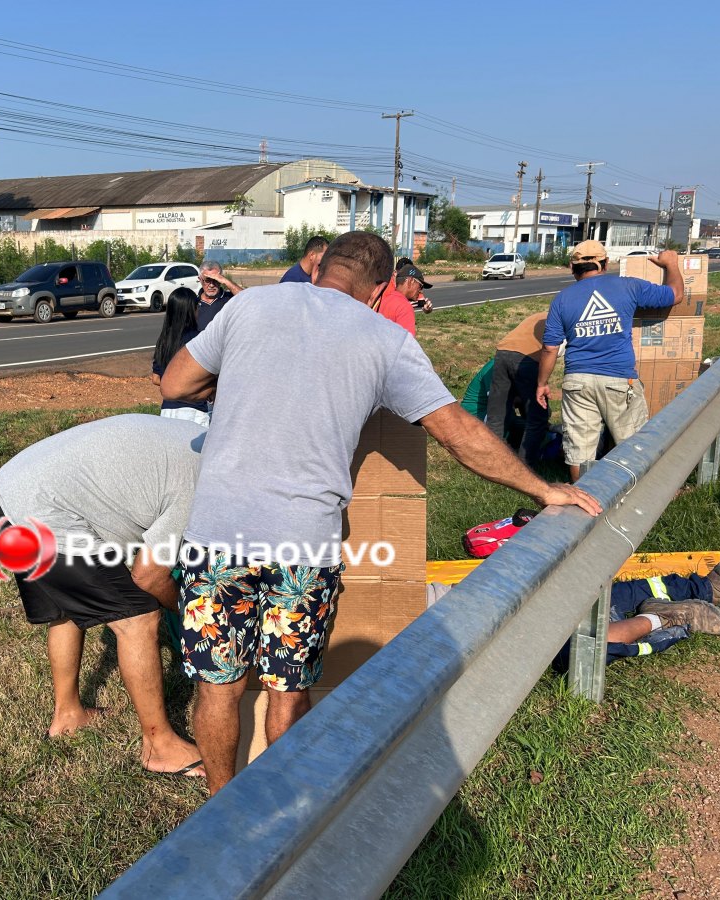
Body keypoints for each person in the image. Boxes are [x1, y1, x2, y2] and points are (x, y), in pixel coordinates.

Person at [160, 230, 602, 795]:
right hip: (302, 543)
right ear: (380, 289)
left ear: (319, 266)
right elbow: (460, 433)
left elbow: (177, 382)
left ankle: (220, 810)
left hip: (217, 533)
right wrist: (543, 490)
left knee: (217, 689)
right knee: (286, 689)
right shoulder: (384, 338)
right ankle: (278, 811)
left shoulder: (250, 305)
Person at [0, 414, 208, 777]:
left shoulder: (199, 443)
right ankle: (160, 745)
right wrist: (190, 615)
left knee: (67, 610)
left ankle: (68, 714)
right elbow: (149, 574)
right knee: (138, 617)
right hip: (45, 509)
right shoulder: (200, 483)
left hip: (9, 490)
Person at [427, 559, 720, 669]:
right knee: (582, 615)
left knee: (576, 646)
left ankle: (671, 614)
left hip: (454, 623)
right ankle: (696, 596)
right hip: (455, 609)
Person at [536, 242, 684, 481]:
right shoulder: (628, 286)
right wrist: (671, 264)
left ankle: (584, 504)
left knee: (580, 452)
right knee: (633, 445)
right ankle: (632, 499)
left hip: (577, 382)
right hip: (618, 379)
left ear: (572, 267)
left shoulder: (561, 300)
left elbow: (550, 347)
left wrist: (542, 383)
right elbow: (675, 295)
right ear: (605, 264)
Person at [486, 312, 552, 467]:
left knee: (498, 414)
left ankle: (491, 464)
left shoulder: (540, 315)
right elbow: (552, 351)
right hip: (528, 358)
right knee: (537, 418)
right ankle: (525, 466)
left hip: (502, 353)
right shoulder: (564, 317)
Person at [151, 288, 210, 427]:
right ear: (191, 310)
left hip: (167, 411)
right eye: (197, 307)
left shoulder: (164, 341)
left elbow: (156, 378)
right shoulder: (199, 339)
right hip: (194, 412)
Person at [370, 263, 432, 336]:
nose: (421, 291)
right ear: (410, 281)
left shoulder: (383, 299)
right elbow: (408, 344)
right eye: (420, 286)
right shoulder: (405, 307)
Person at [194, 260, 242, 331]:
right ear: (200, 280)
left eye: (215, 280)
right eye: (207, 280)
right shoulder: (194, 302)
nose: (211, 285)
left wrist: (226, 281)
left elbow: (247, 298)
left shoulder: (229, 298)